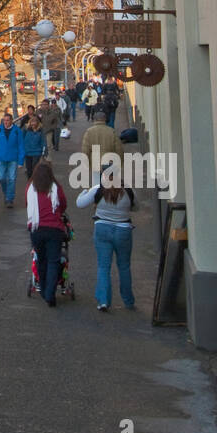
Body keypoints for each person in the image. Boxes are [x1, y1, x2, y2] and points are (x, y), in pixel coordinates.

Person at [76, 170, 136, 311]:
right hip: (123, 229)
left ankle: (103, 301)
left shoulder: (98, 189)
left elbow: (80, 203)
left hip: (102, 228)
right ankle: (128, 301)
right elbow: (136, 207)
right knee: (124, 266)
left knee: (104, 266)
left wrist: (84, 192)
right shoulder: (127, 190)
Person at [26, 161, 68, 308]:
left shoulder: (30, 188)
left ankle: (44, 290)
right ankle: (50, 294)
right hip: (54, 230)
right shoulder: (56, 188)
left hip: (36, 230)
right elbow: (63, 204)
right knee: (53, 261)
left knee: (41, 260)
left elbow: (28, 205)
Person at [0, 109, 24, 208]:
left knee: (12, 179)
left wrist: (21, 161)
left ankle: (10, 199)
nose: (6, 122)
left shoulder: (17, 131)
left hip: (13, 159)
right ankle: (6, 193)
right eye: (4, 120)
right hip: (1, 159)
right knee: (1, 178)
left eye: (7, 120)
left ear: (11, 121)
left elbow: (21, 145)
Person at [81, 111, 123, 185]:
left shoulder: (89, 132)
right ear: (105, 119)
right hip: (109, 163)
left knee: (96, 186)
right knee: (108, 185)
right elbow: (119, 149)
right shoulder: (111, 131)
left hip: (95, 163)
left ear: (94, 119)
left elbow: (85, 150)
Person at [22, 115, 46, 179]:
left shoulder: (41, 131)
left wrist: (44, 151)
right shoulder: (26, 129)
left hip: (37, 152)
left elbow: (43, 141)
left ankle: (34, 182)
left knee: (35, 169)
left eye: (35, 122)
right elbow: (21, 139)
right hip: (27, 152)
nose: (33, 123)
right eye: (32, 122)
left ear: (37, 123)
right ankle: (30, 182)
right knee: (29, 170)